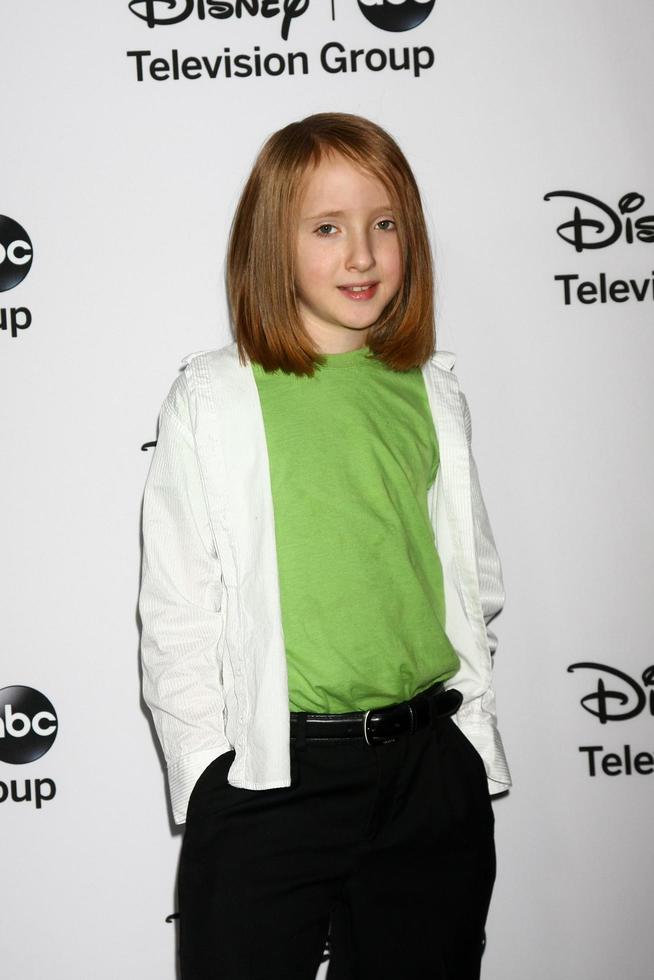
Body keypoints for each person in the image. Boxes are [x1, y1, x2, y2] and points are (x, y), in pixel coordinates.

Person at [139, 112, 511, 980]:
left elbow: (470, 579)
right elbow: (178, 607)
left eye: (385, 224)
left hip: (429, 777)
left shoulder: (432, 392)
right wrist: (209, 776)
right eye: (328, 228)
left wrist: (463, 747)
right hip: (273, 778)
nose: (363, 255)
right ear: (274, 243)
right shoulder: (214, 397)